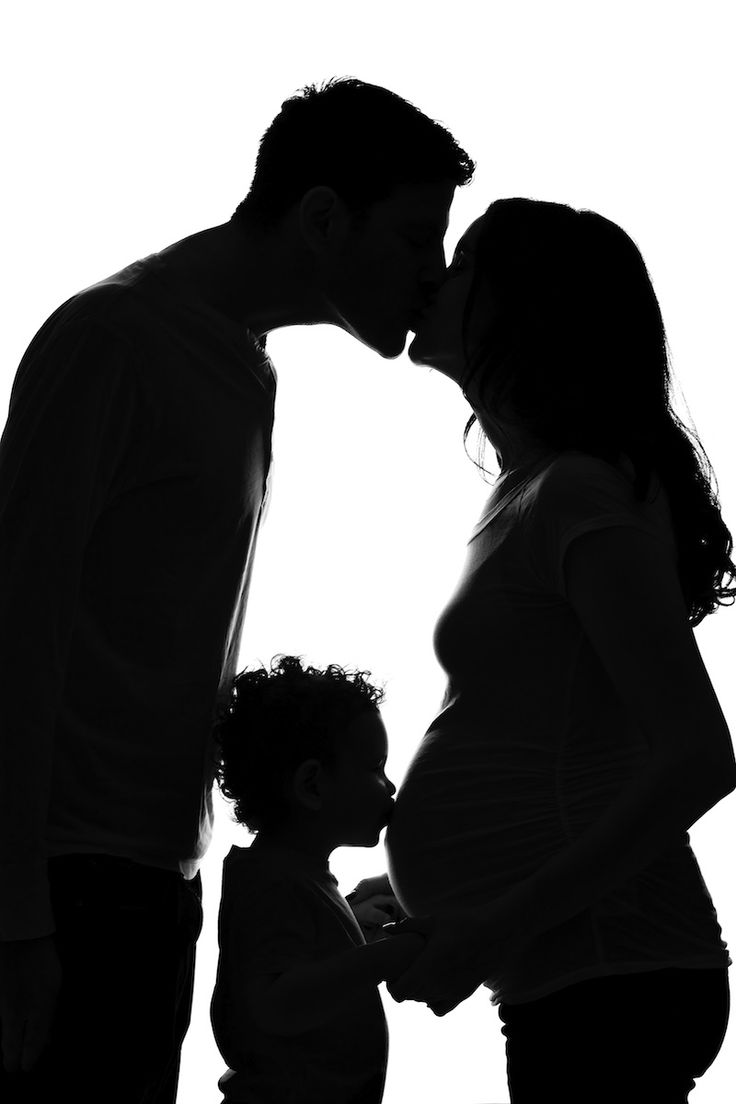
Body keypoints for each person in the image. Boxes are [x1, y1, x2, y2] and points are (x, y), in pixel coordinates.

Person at [0, 77, 473, 1103]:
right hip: (66, 885)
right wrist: (17, 915)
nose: (432, 277)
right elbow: (13, 623)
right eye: (414, 239)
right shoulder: (109, 341)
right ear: (319, 216)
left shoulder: (249, 372)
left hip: (157, 889)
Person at [382, 198, 736, 1103]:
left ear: (518, 310)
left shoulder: (574, 492)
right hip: (575, 979)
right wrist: (425, 904)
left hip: (615, 981)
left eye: (458, 268)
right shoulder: (534, 489)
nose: (432, 280)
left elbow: (699, 756)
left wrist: (490, 928)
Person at [210, 654, 424, 1104]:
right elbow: (277, 1003)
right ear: (312, 785)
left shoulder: (301, 876)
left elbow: (305, 964)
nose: (390, 788)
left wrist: (359, 935)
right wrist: (393, 954)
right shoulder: (270, 879)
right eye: (375, 768)